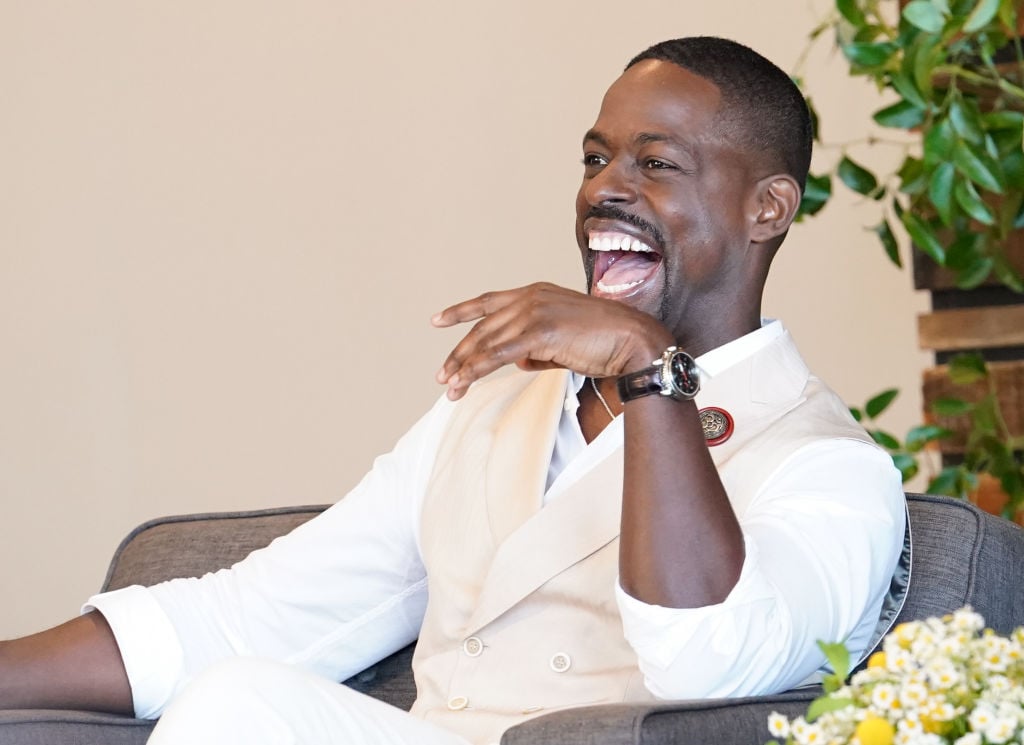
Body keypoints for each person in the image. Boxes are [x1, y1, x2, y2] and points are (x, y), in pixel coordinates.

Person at [0, 36, 907, 744]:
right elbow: (259, 616)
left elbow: (711, 662)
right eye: (594, 160)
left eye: (655, 164)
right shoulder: (493, 405)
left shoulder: (827, 465)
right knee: (243, 697)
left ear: (768, 208)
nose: (604, 191)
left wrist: (649, 369)